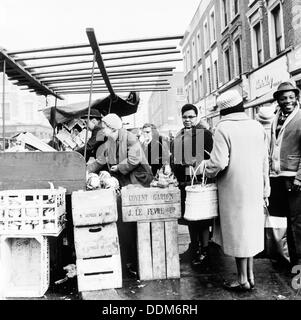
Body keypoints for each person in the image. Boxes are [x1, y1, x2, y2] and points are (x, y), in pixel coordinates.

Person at [200, 90, 270, 291]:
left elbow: (219, 162)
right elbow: (264, 160)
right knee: (248, 232)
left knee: (239, 234)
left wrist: (206, 166)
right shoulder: (256, 126)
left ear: (223, 110)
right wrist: (266, 188)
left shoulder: (224, 128)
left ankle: (241, 279)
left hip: (233, 189)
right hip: (255, 187)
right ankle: (249, 276)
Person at [87, 113, 153, 276]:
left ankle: (137, 261)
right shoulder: (110, 141)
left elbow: (134, 159)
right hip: (125, 181)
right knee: (125, 221)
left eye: (105, 127)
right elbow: (101, 160)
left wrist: (118, 167)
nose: (102, 129)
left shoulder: (130, 138)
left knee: (134, 221)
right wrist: (86, 171)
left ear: (113, 128)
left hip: (138, 180)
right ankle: (128, 259)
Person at [171, 104, 213, 266]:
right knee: (189, 217)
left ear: (197, 117)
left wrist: (194, 162)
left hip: (200, 182)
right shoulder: (179, 135)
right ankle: (194, 246)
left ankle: (204, 249)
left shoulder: (205, 134)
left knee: (201, 218)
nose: (187, 120)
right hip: (184, 182)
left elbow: (211, 157)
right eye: (185, 117)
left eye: (191, 117)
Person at [268, 82, 301, 268]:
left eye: (290, 97)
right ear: (278, 100)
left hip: (293, 176)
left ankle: (298, 261)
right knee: (280, 220)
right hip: (276, 177)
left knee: (297, 221)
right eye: (283, 98)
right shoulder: (276, 118)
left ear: (296, 98)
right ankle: (283, 257)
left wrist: (299, 177)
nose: (287, 101)